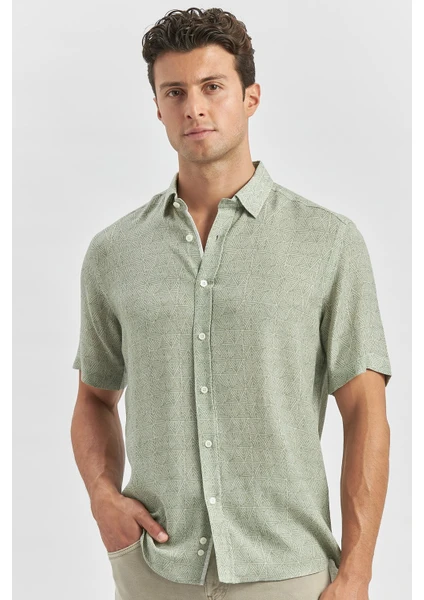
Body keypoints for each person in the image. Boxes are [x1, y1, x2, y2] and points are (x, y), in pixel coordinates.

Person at [70, 7, 392, 600]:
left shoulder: (328, 242)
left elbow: (366, 412)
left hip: (288, 571)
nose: (194, 107)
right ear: (158, 108)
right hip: (155, 569)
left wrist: (357, 573)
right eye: (175, 92)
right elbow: (94, 396)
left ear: (250, 97)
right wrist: (101, 496)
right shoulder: (114, 253)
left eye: (213, 86)